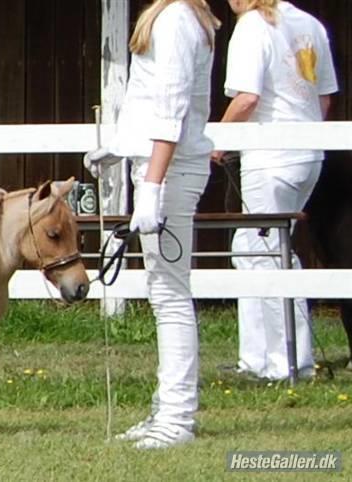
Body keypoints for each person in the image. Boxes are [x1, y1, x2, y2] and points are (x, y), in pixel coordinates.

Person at [84, 0, 220, 449]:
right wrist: (121, 146)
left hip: (171, 169)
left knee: (169, 294)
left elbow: (172, 108)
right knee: (164, 291)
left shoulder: (177, 18)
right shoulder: (178, 17)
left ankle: (176, 418)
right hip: (161, 164)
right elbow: (152, 101)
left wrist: (152, 185)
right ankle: (167, 407)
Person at [211, 0, 338, 381]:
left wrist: (218, 139)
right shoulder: (310, 24)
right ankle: (258, 358)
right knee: (253, 248)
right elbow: (324, 98)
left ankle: (286, 362)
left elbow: (247, 98)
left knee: (266, 256)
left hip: (270, 155)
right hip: (307, 153)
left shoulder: (252, 26)